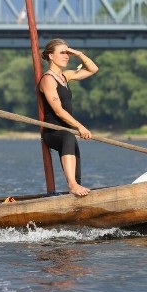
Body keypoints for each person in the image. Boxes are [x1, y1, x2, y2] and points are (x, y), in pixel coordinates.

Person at [39, 39, 99, 197]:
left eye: (68, 52)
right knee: (69, 136)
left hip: (67, 132)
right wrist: (80, 127)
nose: (67, 56)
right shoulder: (48, 79)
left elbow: (93, 69)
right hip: (53, 132)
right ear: (51, 56)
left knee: (73, 146)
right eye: (62, 53)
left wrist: (78, 53)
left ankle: (75, 190)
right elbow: (58, 111)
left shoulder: (66, 76)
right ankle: (72, 185)